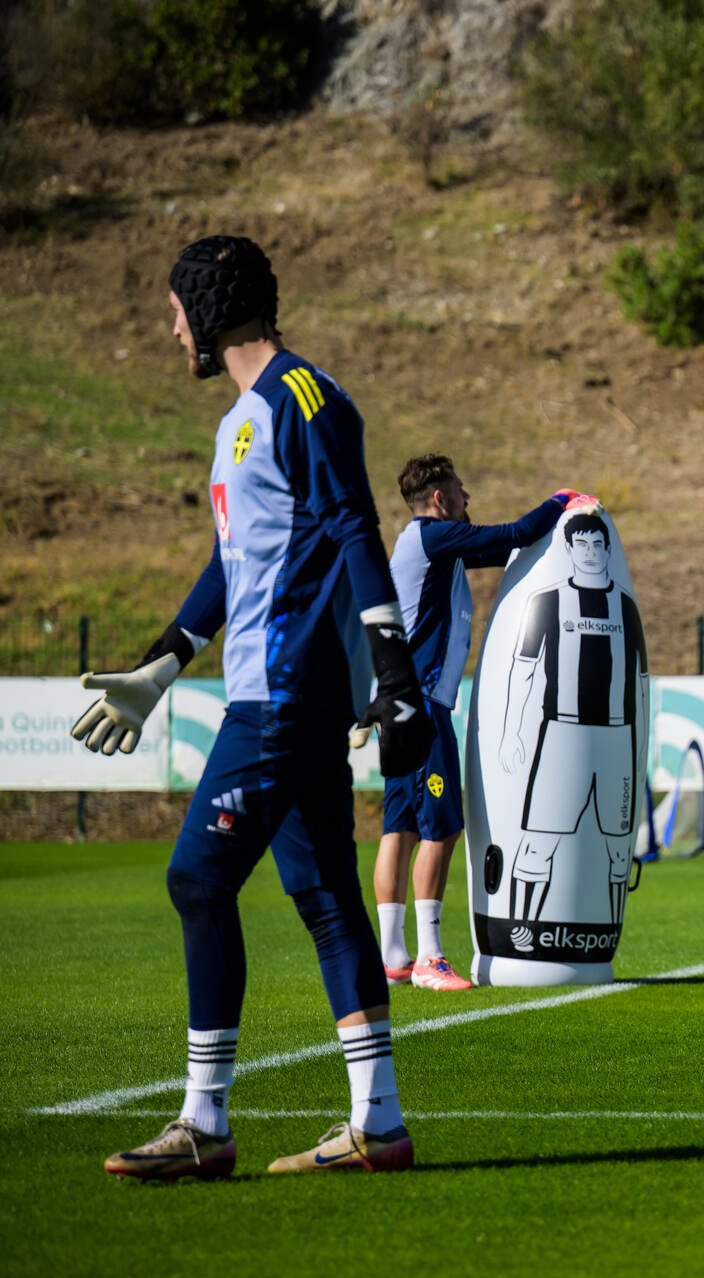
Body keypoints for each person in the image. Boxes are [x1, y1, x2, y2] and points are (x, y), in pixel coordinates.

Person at [75, 235, 433, 1178]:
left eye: (175, 309)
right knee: (323, 897)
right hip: (272, 690)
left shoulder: (304, 399)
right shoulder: (242, 419)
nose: (172, 327)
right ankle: (377, 1122)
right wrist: (164, 665)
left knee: (197, 880)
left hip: (283, 696)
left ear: (210, 303)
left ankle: (204, 1123)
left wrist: (394, 670)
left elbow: (357, 529)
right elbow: (236, 562)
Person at [370, 454, 587, 991]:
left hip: (395, 705)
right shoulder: (435, 538)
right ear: (440, 499)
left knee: (397, 827)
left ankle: (392, 955)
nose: (468, 500)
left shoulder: (418, 544)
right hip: (421, 706)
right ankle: (430, 957)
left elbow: (498, 547)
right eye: (461, 491)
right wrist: (563, 501)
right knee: (440, 828)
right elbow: (511, 533)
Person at [501, 510, 647, 924]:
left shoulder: (625, 608)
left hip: (617, 738)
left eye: (597, 544)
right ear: (568, 549)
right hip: (561, 733)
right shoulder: (548, 602)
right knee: (540, 839)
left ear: (607, 549)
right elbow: (523, 669)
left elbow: (641, 680)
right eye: (580, 544)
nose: (589, 552)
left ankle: (604, 931)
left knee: (618, 847)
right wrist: (513, 732)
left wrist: (640, 745)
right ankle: (524, 928)